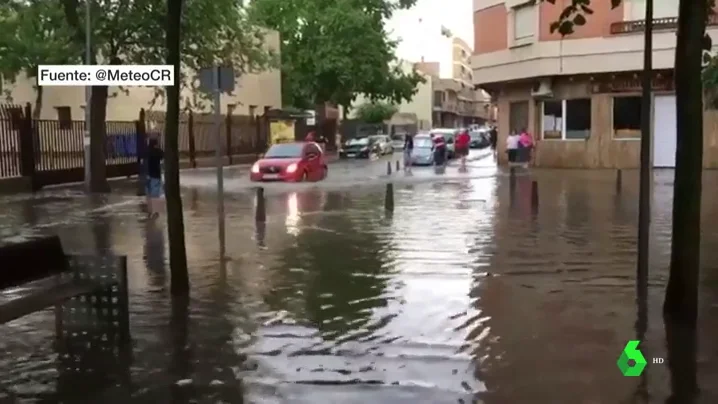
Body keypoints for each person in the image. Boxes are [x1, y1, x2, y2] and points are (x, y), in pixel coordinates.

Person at [145, 137, 164, 219]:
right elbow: (163, 156)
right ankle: (156, 211)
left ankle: (149, 210)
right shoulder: (157, 151)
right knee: (156, 194)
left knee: (148, 194)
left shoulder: (147, 151)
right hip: (155, 175)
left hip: (147, 175)